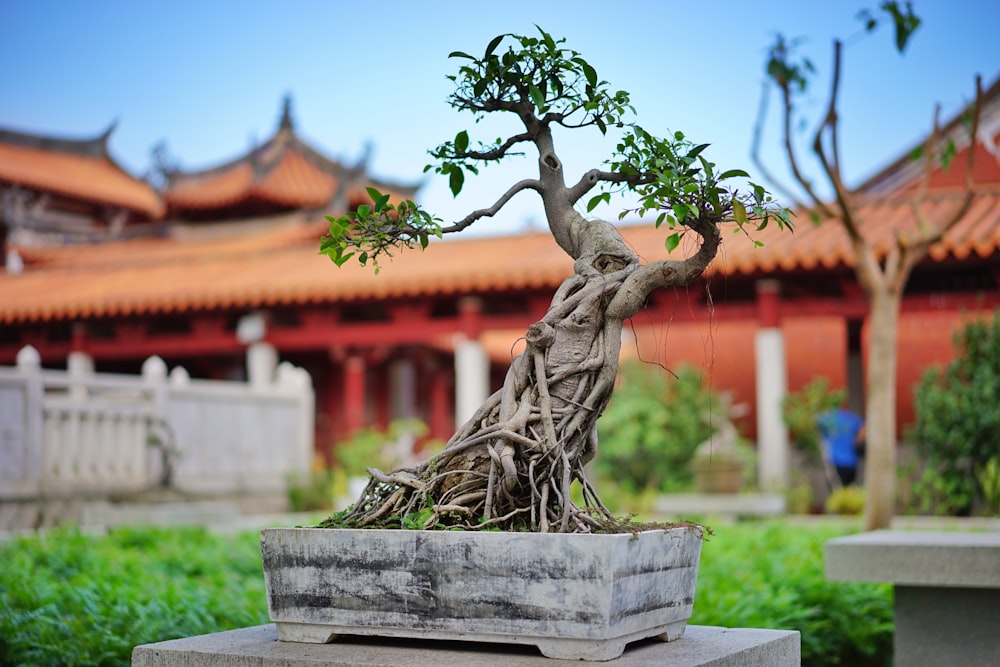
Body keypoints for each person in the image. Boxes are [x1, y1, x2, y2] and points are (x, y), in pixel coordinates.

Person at [816, 408, 865, 487]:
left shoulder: (825, 419)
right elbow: (863, 429)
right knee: (850, 486)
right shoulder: (851, 418)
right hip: (851, 460)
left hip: (834, 460)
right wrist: (856, 441)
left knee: (835, 487)